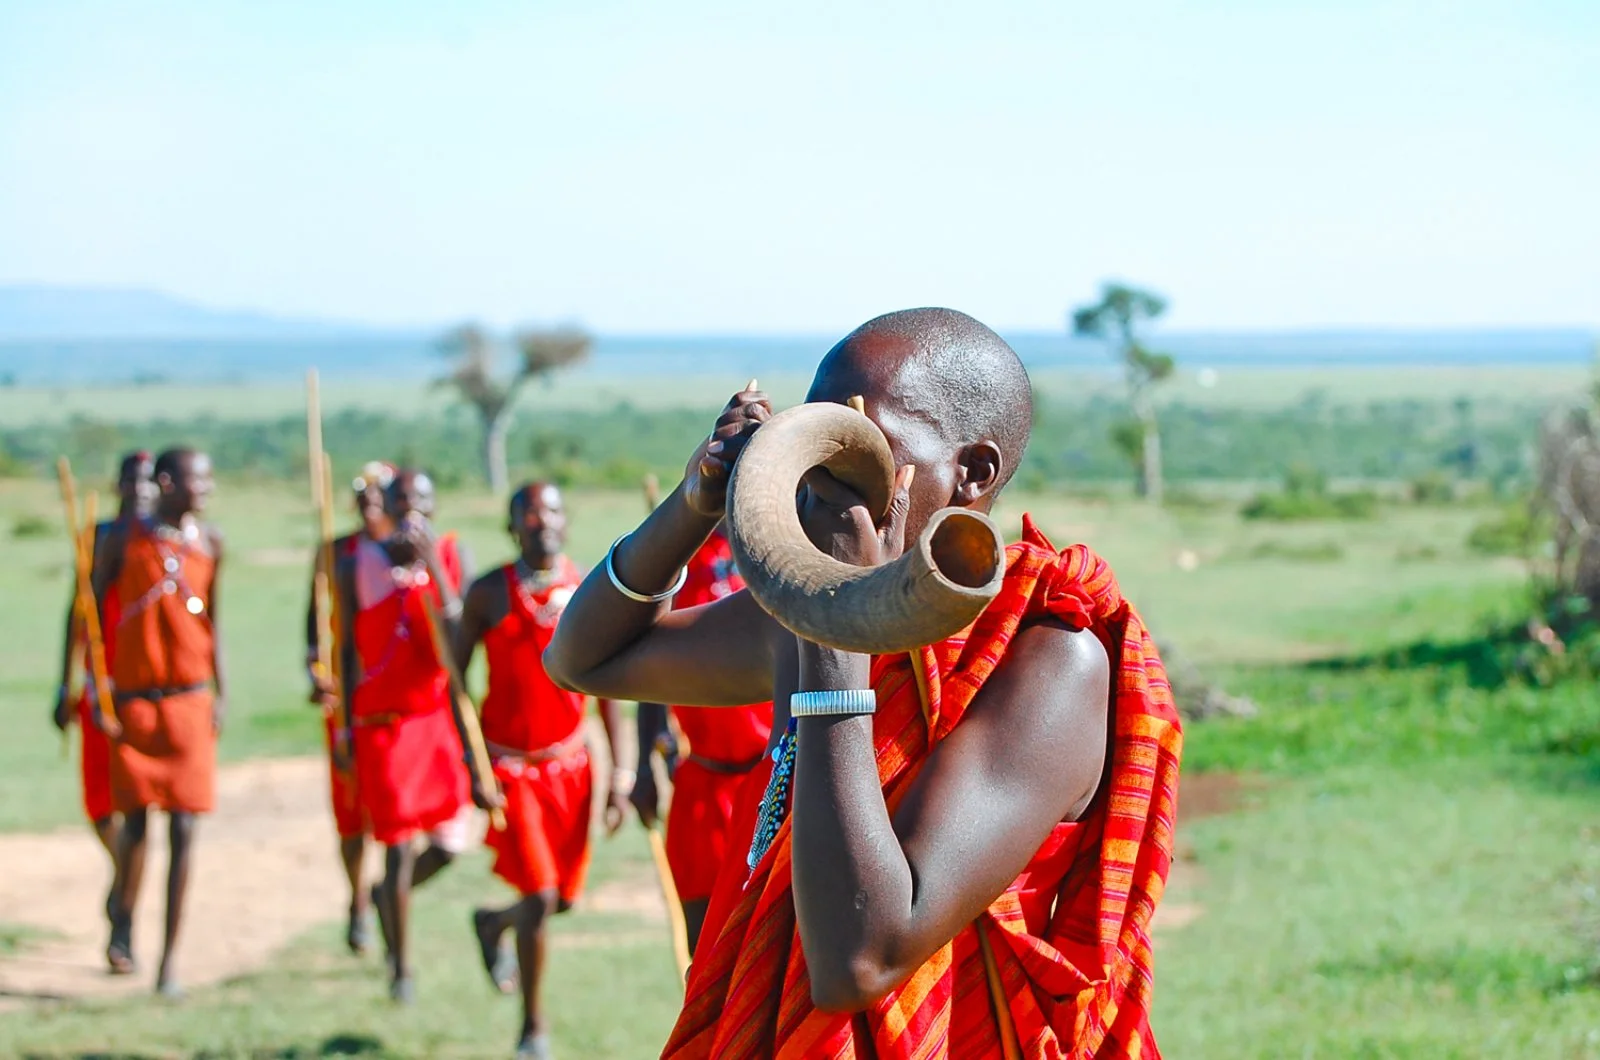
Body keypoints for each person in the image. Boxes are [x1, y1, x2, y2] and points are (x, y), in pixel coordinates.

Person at [544, 309, 1183, 1058]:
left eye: (857, 442)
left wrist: (831, 623)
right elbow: (586, 659)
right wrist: (695, 504)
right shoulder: (803, 623)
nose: (817, 472)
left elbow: (862, 957)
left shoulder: (1050, 655)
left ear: (971, 472)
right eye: (812, 437)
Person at [454, 481, 630, 1060]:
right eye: (527, 513)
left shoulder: (588, 589)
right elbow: (454, 684)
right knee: (539, 894)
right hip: (510, 771)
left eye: (551, 510)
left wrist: (621, 775)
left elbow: (611, 686)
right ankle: (533, 1028)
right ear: (512, 527)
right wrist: (472, 763)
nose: (541, 521)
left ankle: (490, 923)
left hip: (571, 769)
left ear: (566, 520)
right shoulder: (487, 594)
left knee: (562, 900)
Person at [335, 467, 480, 1003]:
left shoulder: (448, 553)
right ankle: (401, 965)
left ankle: (383, 899)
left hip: (434, 719)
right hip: (382, 724)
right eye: (401, 501)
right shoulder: (358, 562)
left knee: (448, 844)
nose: (411, 510)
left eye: (421, 500)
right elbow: (348, 652)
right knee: (395, 846)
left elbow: (459, 628)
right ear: (387, 507)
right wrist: (347, 727)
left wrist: (431, 570)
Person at [93, 448, 226, 996]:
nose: (206, 488)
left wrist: (223, 692)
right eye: (198, 479)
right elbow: (91, 615)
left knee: (187, 828)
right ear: (168, 483)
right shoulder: (123, 540)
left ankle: (171, 960)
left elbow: (216, 620)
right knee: (136, 827)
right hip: (134, 705)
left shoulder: (211, 542)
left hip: (191, 703)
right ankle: (123, 916)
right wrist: (93, 689)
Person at [631, 524, 772, 955]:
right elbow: (652, 667)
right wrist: (643, 766)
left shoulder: (782, 546)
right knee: (704, 945)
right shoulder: (676, 562)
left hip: (773, 781)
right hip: (702, 780)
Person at [303, 460, 395, 955]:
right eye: (361, 495)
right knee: (351, 810)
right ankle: (357, 897)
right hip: (346, 701)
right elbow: (312, 629)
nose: (369, 504)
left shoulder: (401, 556)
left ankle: (387, 896)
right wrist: (315, 671)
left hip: (392, 702)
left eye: (378, 495)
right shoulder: (335, 552)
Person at [53, 451, 156, 867]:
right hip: (99, 684)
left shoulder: (162, 543)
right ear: (118, 486)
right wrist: (65, 684)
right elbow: (78, 612)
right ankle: (124, 875)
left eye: (149, 481)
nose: (140, 489)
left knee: (138, 796)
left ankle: (127, 887)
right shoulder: (98, 536)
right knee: (99, 800)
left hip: (146, 688)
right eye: (132, 480)